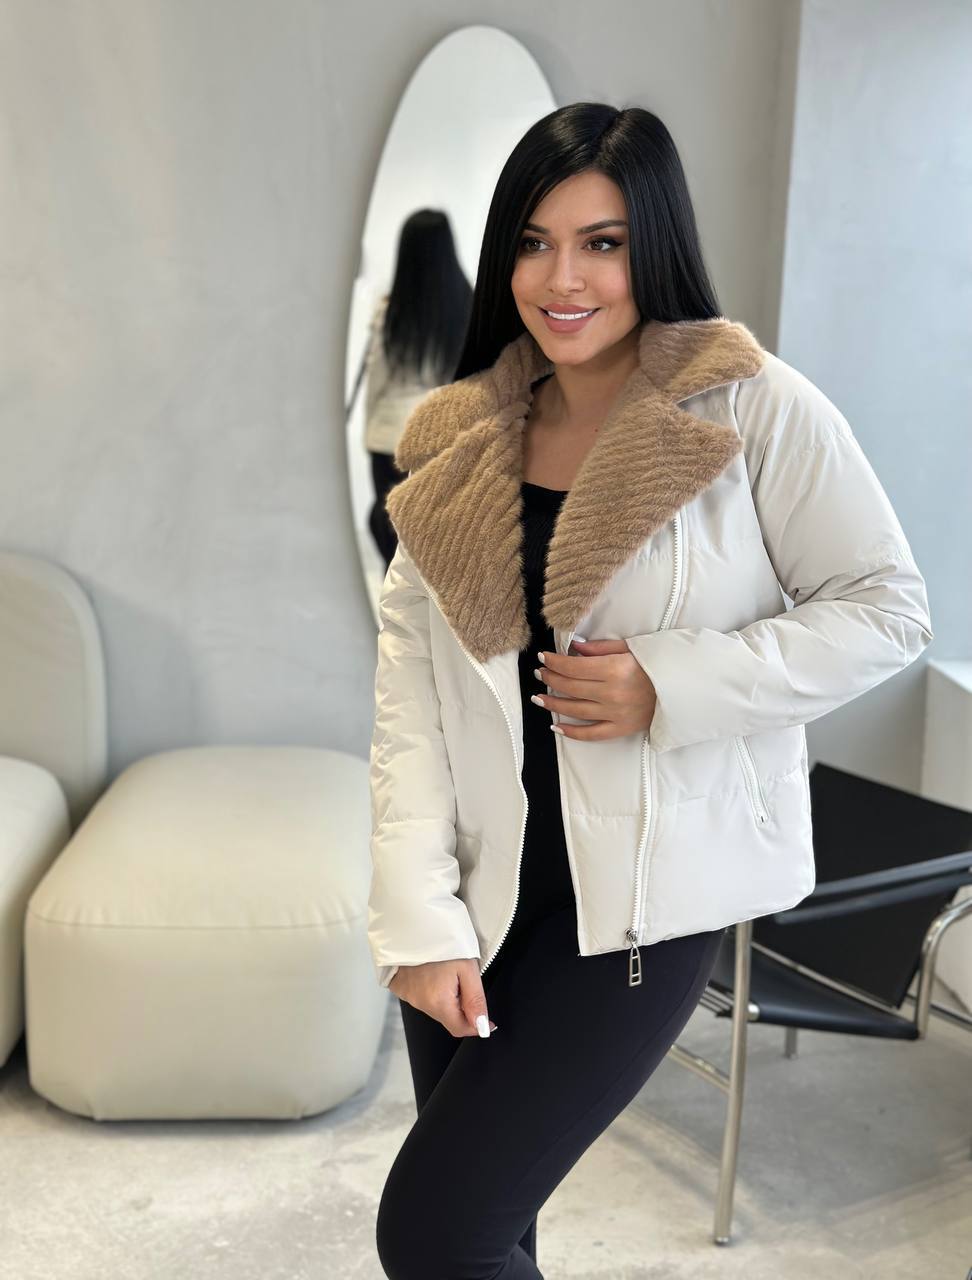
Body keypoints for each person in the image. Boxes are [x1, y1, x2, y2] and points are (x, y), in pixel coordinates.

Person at [367, 102, 933, 1278]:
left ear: (656, 245)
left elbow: (887, 605)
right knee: (490, 1228)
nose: (562, 278)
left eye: (603, 243)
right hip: (477, 892)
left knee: (434, 1229)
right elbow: (410, 700)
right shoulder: (459, 436)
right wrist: (417, 915)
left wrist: (669, 684)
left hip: (637, 906)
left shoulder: (753, 406)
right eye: (534, 242)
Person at [360, 210, 472, 570]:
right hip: (444, 435)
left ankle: (396, 602)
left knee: (389, 530)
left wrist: (368, 433)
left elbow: (377, 380)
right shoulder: (468, 306)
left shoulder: (392, 313)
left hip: (390, 438)